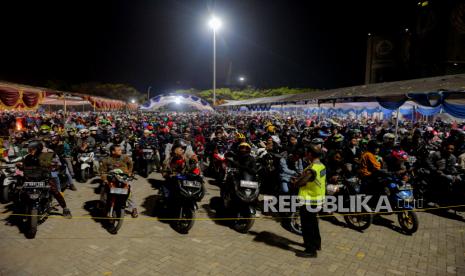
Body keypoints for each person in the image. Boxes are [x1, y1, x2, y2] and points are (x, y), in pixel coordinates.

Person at [22, 140, 72, 218]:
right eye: (29, 149)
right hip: (32, 180)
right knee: (22, 192)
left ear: (38, 149)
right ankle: (25, 210)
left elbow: (56, 163)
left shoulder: (46, 155)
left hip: (45, 178)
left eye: (32, 149)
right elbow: (24, 167)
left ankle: (65, 208)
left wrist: (53, 166)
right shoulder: (27, 157)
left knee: (55, 191)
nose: (30, 150)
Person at [294, 144, 326, 258]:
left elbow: (300, 183)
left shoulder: (311, 170)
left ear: (311, 154)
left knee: (307, 226)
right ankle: (317, 244)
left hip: (309, 201)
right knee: (313, 224)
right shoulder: (321, 166)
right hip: (317, 199)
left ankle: (310, 250)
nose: (305, 154)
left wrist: (296, 181)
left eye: (307, 153)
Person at [100, 144, 138, 218]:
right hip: (112, 178)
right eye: (119, 150)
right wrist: (104, 179)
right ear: (113, 151)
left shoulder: (125, 157)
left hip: (124, 178)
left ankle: (134, 208)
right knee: (104, 189)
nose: (121, 151)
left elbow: (131, 164)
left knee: (129, 192)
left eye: (121, 150)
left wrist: (129, 172)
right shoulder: (106, 160)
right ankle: (102, 204)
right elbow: (102, 171)